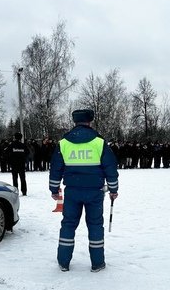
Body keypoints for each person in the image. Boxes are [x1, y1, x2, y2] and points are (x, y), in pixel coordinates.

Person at [49, 109, 119, 273]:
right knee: (95, 225)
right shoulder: (99, 142)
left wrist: (54, 188)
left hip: (72, 192)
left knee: (68, 225)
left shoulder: (64, 143)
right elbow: (110, 167)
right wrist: (113, 189)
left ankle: (63, 262)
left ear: (75, 121)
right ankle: (97, 263)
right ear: (90, 121)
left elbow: (55, 168)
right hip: (94, 192)